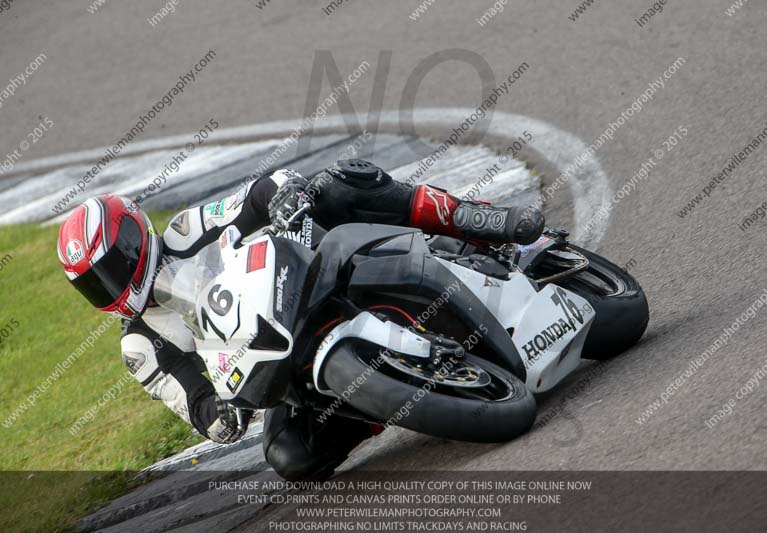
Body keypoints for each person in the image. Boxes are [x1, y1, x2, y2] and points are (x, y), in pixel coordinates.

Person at [56, 159, 544, 480]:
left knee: (335, 185)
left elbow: (260, 191)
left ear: (133, 240)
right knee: (290, 454)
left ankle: (475, 219)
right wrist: (220, 419)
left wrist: (284, 198)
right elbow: (194, 402)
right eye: (94, 284)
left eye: (112, 268)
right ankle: (388, 397)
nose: (113, 285)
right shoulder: (140, 347)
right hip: (281, 362)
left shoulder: (186, 232)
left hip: (306, 278)